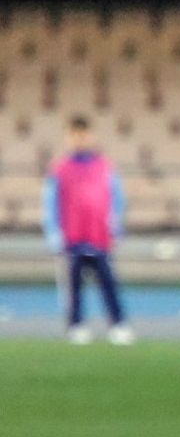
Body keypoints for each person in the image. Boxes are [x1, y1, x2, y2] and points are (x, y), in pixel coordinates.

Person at [43, 116, 133, 345]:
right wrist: (54, 233)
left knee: (108, 283)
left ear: (90, 136)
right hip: (73, 236)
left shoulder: (105, 167)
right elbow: (51, 203)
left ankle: (118, 323)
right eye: (74, 135)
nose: (79, 140)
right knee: (74, 285)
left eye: (83, 135)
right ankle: (76, 325)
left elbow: (117, 200)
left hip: (99, 236)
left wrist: (116, 228)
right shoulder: (59, 169)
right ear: (68, 138)